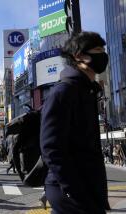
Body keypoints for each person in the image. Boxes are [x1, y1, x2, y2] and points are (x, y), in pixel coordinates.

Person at [40, 32, 110, 213]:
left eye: (103, 49)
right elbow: (51, 148)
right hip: (72, 191)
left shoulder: (87, 91)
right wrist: (74, 192)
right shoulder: (63, 92)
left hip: (85, 186)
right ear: (79, 56)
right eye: (97, 50)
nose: (103, 54)